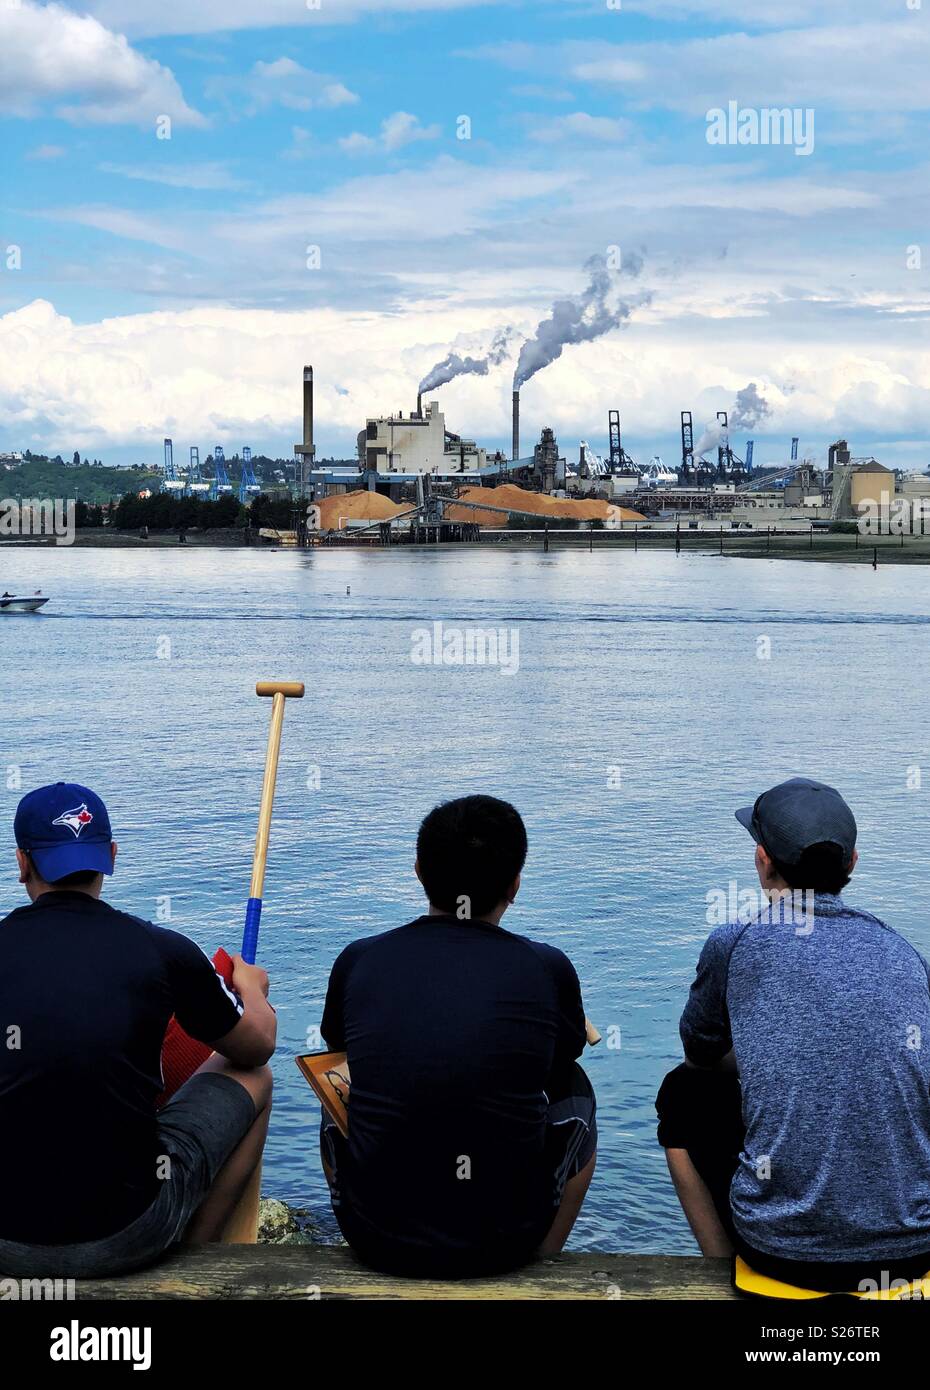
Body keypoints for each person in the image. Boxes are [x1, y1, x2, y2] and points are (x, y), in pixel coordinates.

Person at [657, 776, 930, 1292]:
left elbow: (699, 1052)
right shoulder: (903, 952)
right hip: (916, 1245)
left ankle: (721, 1271)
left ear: (762, 861)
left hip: (782, 1253)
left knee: (682, 1091)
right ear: (852, 863)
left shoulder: (733, 942)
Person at [0, 782, 276, 1277]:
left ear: (22, 862)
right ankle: (191, 1258)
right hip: (126, 1235)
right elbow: (256, 1048)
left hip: (7, 1240)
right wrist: (251, 989)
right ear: (110, 855)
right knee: (256, 1080)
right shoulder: (162, 949)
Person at [320, 794, 597, 1277]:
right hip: (505, 1242)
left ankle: (364, 1202)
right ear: (515, 885)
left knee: (333, 1082)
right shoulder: (547, 966)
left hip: (374, 1238)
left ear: (418, 870)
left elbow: (338, 1050)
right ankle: (545, 1259)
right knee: (577, 1091)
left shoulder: (358, 958)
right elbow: (561, 1059)